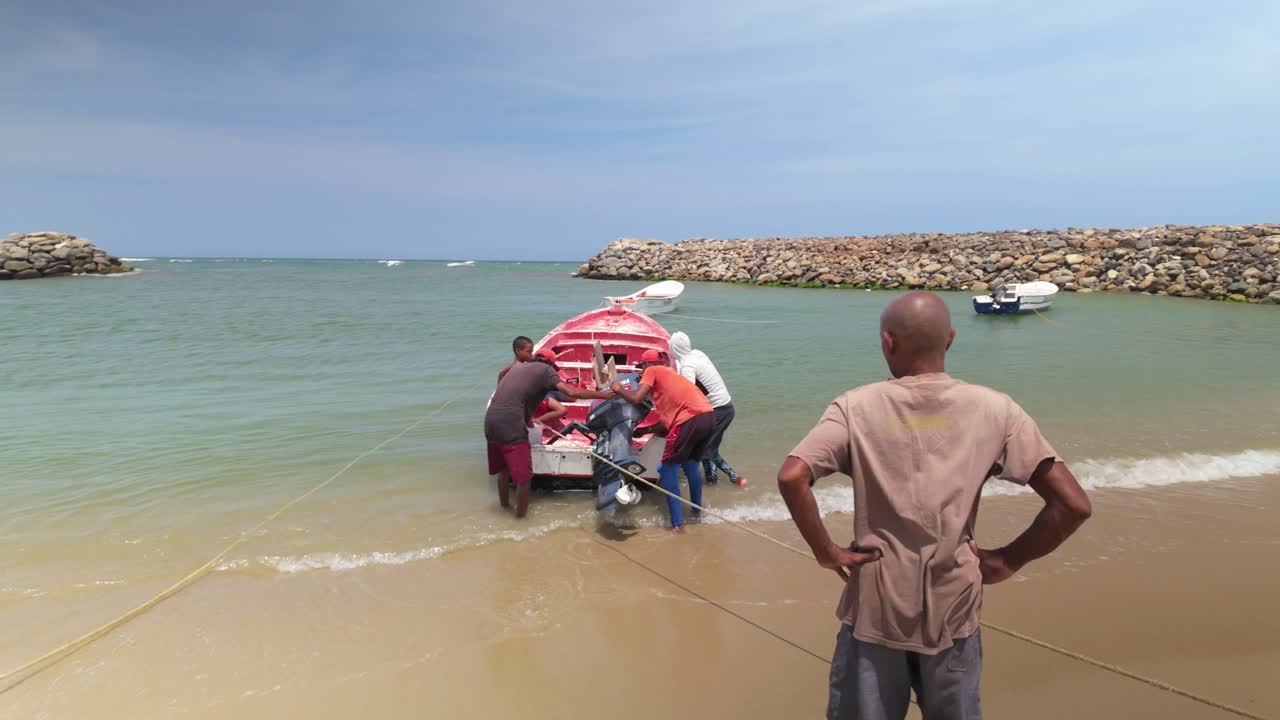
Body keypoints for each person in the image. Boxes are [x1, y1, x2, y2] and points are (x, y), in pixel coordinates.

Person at [776, 292, 1092, 720]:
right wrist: (1008, 559)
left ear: (887, 342)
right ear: (951, 339)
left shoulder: (854, 407)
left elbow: (793, 476)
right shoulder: (997, 410)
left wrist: (826, 552)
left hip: (875, 607)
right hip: (953, 608)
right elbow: (1072, 504)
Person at [485, 348, 613, 518]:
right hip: (512, 426)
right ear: (550, 364)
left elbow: (510, 390)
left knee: (503, 471)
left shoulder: (517, 368)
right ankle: (520, 521)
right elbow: (572, 392)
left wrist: (531, 425)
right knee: (524, 480)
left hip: (491, 421)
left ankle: (504, 509)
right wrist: (604, 395)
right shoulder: (546, 370)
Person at [610, 349, 715, 531]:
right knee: (691, 466)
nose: (642, 374)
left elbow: (636, 398)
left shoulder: (652, 370)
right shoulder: (672, 376)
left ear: (647, 365)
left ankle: (677, 525)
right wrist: (645, 430)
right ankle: (696, 513)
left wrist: (619, 390)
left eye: (642, 368)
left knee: (666, 469)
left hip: (689, 420)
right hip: (708, 417)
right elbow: (666, 426)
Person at [667, 331, 748, 487]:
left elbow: (688, 395)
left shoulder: (687, 366)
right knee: (710, 449)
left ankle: (713, 484)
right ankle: (736, 479)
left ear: (674, 349)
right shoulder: (697, 354)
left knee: (705, 451)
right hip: (726, 407)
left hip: (718, 411)